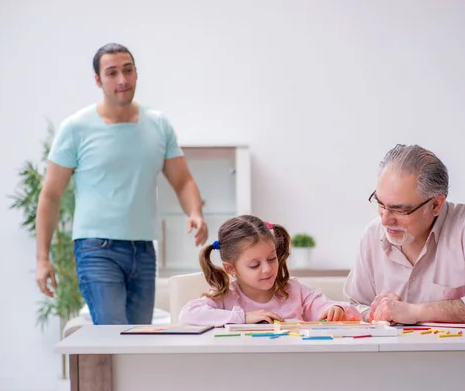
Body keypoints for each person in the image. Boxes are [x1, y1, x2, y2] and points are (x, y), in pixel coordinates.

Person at [35, 43, 208, 325]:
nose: (122, 80)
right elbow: (51, 195)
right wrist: (42, 259)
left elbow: (183, 180)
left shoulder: (158, 124)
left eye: (128, 70)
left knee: (138, 342)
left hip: (143, 250)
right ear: (98, 80)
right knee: (112, 337)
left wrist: (195, 212)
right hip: (96, 249)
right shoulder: (76, 127)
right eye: (112, 73)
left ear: (136, 73)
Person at [344, 144, 465, 324]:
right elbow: (354, 306)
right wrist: (376, 313)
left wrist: (416, 311)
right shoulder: (372, 234)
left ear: (436, 205)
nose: (385, 220)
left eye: (400, 210)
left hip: (462, 354)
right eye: (380, 204)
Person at [179, 215, 360, 325]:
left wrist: (335, 309)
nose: (267, 269)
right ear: (231, 268)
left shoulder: (293, 291)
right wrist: (244, 317)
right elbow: (188, 314)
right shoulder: (226, 297)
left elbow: (345, 310)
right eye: (254, 265)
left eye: (272, 258)